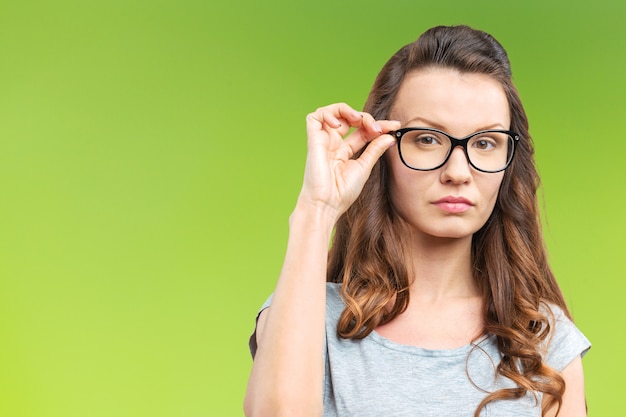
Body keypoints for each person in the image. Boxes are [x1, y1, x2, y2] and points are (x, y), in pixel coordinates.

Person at [243, 25, 590, 417]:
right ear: (380, 148)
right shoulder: (306, 312)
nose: (458, 171)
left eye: (485, 143)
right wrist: (317, 209)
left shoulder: (543, 339)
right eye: (427, 138)